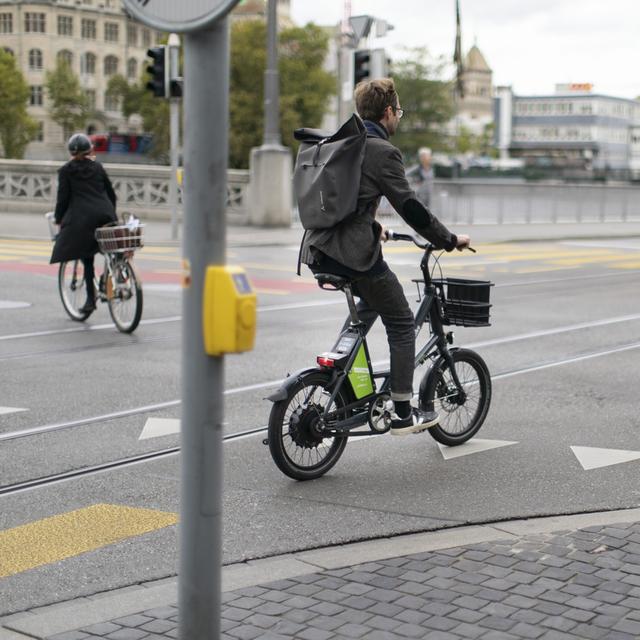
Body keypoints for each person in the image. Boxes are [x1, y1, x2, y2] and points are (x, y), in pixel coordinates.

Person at [300, 78, 470, 436]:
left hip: (318, 249)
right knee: (402, 322)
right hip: (353, 256)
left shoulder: (345, 143)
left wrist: (376, 227)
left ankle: (342, 372)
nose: (398, 119)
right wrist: (448, 239)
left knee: (369, 306)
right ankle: (404, 412)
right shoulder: (381, 151)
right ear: (389, 112)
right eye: (399, 113)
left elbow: (348, 198)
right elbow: (410, 206)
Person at [50, 133, 117, 314]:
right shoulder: (98, 167)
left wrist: (58, 218)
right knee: (111, 248)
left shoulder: (66, 171)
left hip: (84, 219)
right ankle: (114, 273)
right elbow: (111, 194)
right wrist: (112, 214)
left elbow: (62, 200)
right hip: (106, 214)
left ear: (71, 152)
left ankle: (90, 300)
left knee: (87, 256)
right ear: (90, 150)